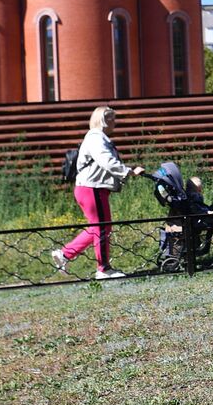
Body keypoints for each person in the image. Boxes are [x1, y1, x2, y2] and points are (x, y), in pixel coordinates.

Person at [51, 106, 145, 280]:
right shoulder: (96, 138)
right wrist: (129, 171)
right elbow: (106, 161)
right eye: (112, 119)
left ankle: (64, 254)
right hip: (92, 189)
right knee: (102, 228)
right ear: (103, 120)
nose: (114, 123)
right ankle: (103, 269)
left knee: (98, 227)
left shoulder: (98, 138)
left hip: (90, 189)